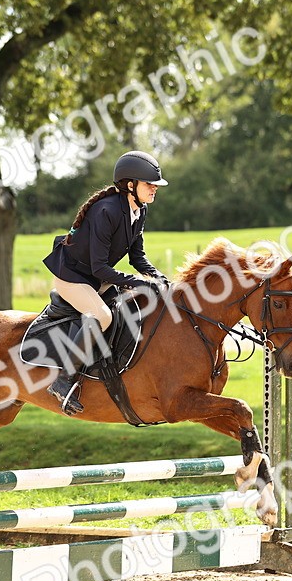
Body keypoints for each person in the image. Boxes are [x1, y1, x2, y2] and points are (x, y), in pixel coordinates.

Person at [41, 150, 170, 415]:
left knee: (132, 308)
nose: (154, 188)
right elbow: (99, 267)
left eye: (155, 184)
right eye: (149, 184)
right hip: (73, 277)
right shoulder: (106, 211)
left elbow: (137, 257)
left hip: (96, 278)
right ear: (130, 185)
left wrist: (158, 278)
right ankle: (63, 380)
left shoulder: (139, 210)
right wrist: (137, 282)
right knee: (102, 316)